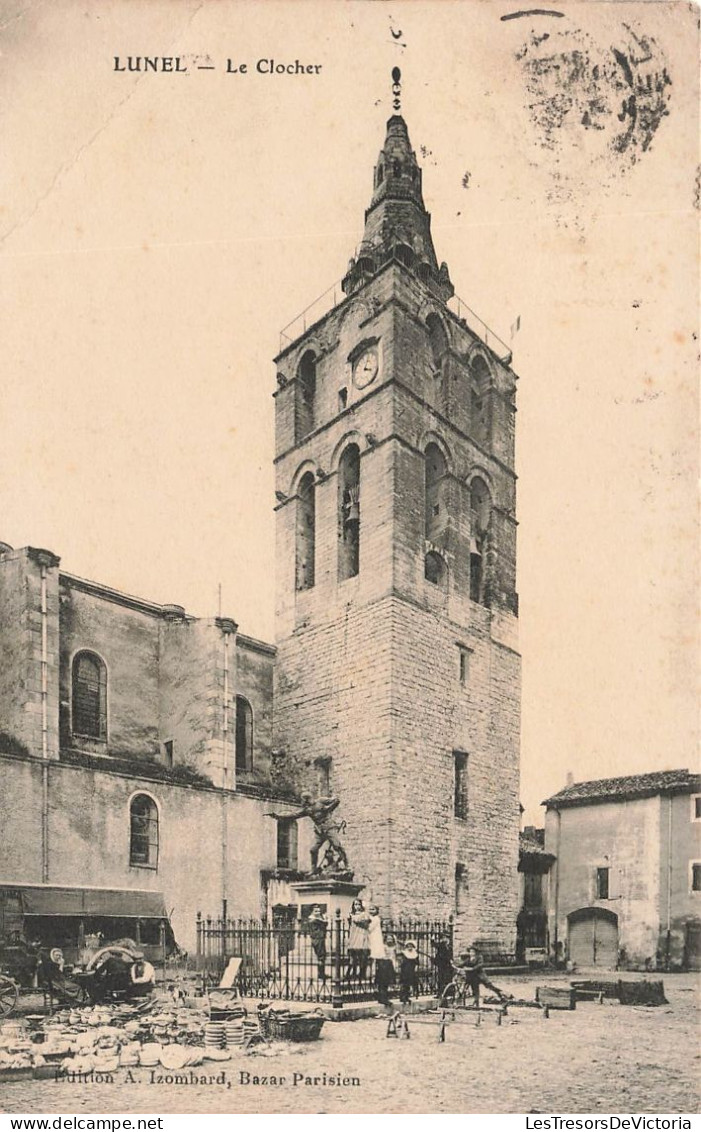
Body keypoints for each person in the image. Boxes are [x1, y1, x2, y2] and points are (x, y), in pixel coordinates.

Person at [346, 898, 370, 981]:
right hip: (354, 935)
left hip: (361, 935)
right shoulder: (351, 914)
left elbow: (364, 922)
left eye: (359, 904)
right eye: (355, 904)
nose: (357, 906)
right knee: (353, 956)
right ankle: (351, 973)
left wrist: (353, 918)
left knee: (361, 956)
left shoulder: (364, 914)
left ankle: (362, 974)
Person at [375, 930, 397, 1008]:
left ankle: (383, 997)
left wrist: (394, 966)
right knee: (382, 982)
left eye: (391, 939)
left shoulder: (393, 947)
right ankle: (383, 998)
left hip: (389, 965)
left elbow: (393, 957)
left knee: (386, 983)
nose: (389, 940)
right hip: (383, 964)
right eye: (388, 939)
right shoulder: (383, 947)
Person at [307, 905, 328, 981]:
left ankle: (322, 973)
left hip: (319, 938)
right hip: (318, 939)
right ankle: (321, 974)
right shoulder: (314, 920)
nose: (318, 913)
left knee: (322, 956)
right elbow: (325, 923)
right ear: (312, 912)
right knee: (321, 956)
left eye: (319, 911)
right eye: (316, 911)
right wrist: (325, 918)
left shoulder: (316, 919)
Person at [397, 939, 419, 1005]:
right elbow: (401, 962)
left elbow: (417, 963)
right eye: (408, 946)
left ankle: (407, 996)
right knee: (404, 984)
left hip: (412, 971)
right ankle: (402, 997)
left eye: (411, 946)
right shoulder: (404, 953)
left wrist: (416, 969)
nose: (410, 947)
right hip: (405, 971)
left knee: (409, 984)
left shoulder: (415, 954)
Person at [431, 935, 453, 1000]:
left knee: (448, 980)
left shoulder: (449, 946)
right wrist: (432, 939)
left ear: (448, 938)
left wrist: (451, 961)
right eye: (443, 937)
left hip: (448, 966)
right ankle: (439, 994)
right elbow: (434, 945)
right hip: (441, 965)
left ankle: (448, 994)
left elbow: (450, 955)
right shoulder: (441, 945)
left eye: (445, 937)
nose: (444, 939)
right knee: (440, 979)